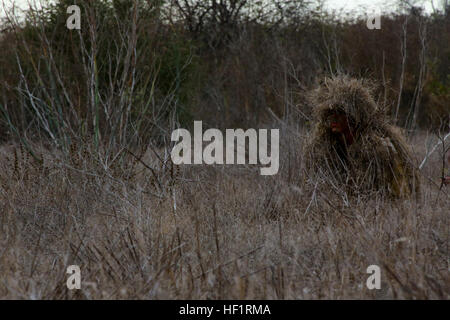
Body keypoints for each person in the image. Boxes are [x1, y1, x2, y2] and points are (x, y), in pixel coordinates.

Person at [305, 76, 420, 198]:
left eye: (340, 113)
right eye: (331, 113)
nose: (334, 118)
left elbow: (399, 190)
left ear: (354, 116)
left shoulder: (377, 147)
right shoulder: (327, 147)